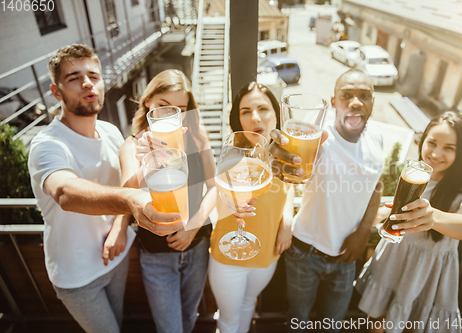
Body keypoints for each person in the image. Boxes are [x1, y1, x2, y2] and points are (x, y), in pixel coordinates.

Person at [27, 44, 184, 333]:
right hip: (77, 274)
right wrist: (130, 200)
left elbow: (130, 183)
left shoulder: (111, 131)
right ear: (56, 92)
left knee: (120, 323)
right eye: (74, 77)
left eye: (94, 76)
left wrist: (121, 225)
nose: (87, 83)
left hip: (117, 257)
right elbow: (64, 192)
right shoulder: (47, 145)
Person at [268, 69, 384, 332]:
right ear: (334, 103)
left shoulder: (376, 138)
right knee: (298, 321)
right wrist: (277, 160)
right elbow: (290, 169)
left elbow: (376, 186)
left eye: (364, 95)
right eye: (347, 95)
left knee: (332, 326)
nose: (356, 102)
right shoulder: (319, 139)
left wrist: (364, 231)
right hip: (304, 252)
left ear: (373, 102)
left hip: (346, 257)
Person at [355, 111, 462, 333]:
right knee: (377, 326)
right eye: (432, 143)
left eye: (449, 148)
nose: (436, 153)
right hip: (393, 263)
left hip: (426, 276)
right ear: (422, 141)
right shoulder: (415, 178)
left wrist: (432, 216)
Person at [119, 69, 217, 333]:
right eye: (164, 106)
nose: (172, 114)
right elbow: (127, 193)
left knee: (190, 317)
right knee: (170, 328)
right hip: (156, 253)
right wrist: (149, 162)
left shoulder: (196, 136)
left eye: (180, 109)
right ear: (148, 101)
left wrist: (193, 227)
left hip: (196, 245)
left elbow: (214, 187)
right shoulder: (133, 145)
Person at [208, 82, 295, 333]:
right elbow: (221, 198)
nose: (255, 117)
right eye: (245, 111)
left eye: (263, 108)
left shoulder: (285, 154)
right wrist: (229, 204)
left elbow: (288, 189)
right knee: (228, 320)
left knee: (248, 306)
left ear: (276, 114)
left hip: (268, 249)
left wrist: (287, 221)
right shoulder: (232, 155)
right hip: (230, 254)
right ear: (238, 118)